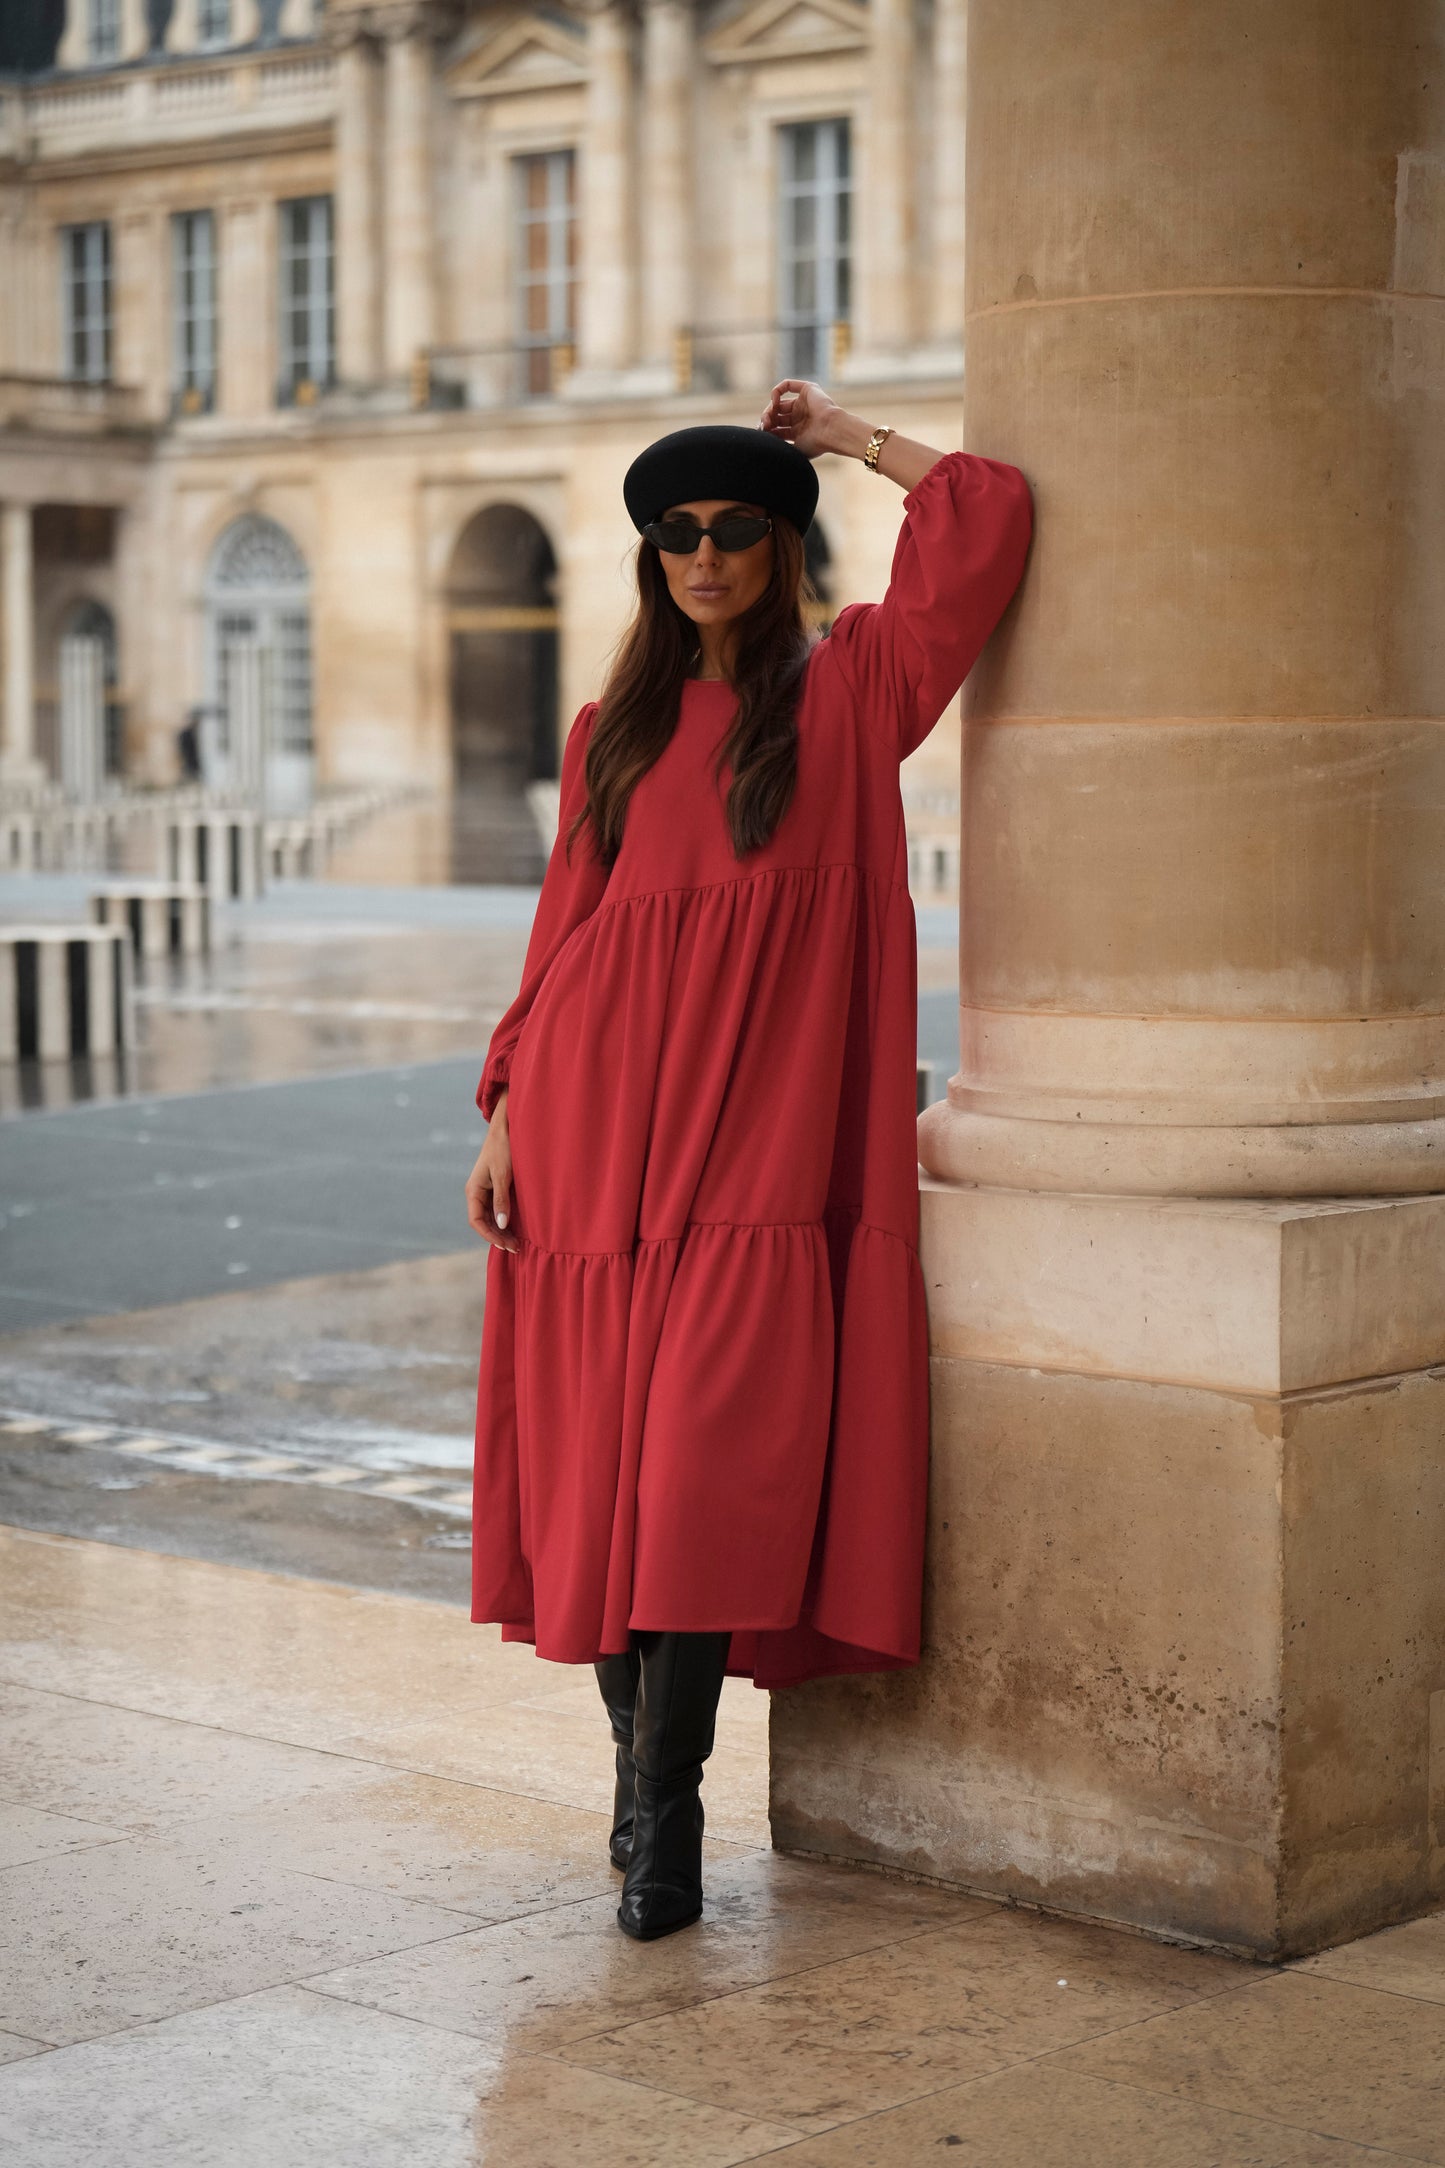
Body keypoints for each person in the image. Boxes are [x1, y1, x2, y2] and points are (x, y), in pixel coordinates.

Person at [464, 379, 1033, 1942]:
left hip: (757, 1147)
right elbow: (560, 937)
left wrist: (844, 436)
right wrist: (506, 1104)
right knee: (596, 1484)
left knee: (699, 1478)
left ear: (783, 547)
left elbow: (983, 519)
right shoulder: (611, 728)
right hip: (591, 1140)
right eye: (674, 537)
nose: (701, 556)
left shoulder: (851, 694)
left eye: (731, 530)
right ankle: (650, 1811)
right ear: (650, 563)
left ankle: (667, 1818)